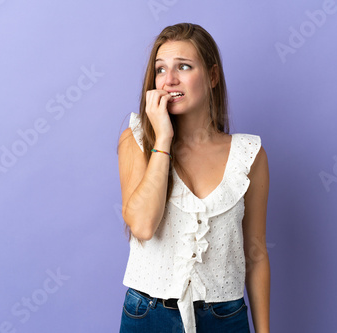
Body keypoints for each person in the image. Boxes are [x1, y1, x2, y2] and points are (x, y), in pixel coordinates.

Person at [117, 23, 270, 333]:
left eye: (183, 67)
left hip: (226, 318)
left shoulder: (249, 154)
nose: (169, 80)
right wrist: (163, 139)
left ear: (212, 76)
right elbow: (143, 226)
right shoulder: (137, 141)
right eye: (161, 70)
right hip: (148, 316)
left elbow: (256, 254)